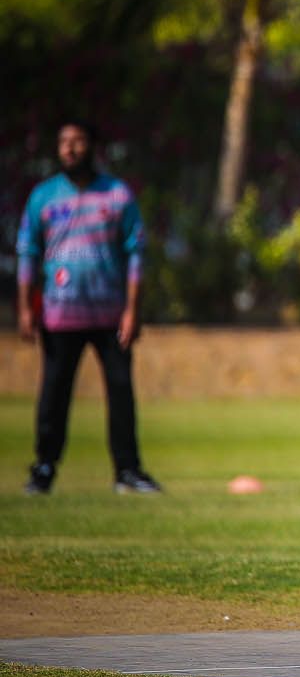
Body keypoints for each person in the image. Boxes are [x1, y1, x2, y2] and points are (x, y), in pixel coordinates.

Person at [16, 120, 162, 495]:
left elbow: (136, 254)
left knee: (120, 392)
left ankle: (127, 471)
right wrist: (26, 308)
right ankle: (44, 468)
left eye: (77, 141)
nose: (69, 149)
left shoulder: (117, 195)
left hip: (110, 314)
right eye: (63, 142)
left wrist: (132, 309)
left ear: (93, 146)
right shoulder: (44, 196)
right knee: (54, 394)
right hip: (59, 315)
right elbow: (28, 253)